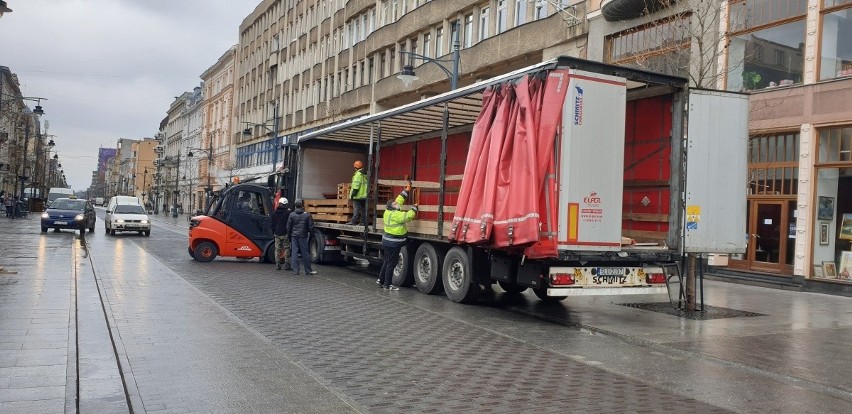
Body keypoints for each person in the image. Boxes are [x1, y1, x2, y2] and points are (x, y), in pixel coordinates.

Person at [378, 183, 418, 290]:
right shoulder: (396, 215)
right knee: (392, 263)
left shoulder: (388, 212)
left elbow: (399, 200)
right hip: (393, 243)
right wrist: (414, 208)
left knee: (387, 261)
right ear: (392, 206)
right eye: (395, 204)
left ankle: (380, 280)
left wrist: (406, 190)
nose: (397, 204)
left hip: (387, 241)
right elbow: (408, 216)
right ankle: (387, 285)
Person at [287, 199, 317, 275]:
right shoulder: (307, 214)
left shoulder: (292, 214)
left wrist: (289, 235)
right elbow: (311, 227)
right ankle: (308, 270)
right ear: (302, 205)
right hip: (303, 236)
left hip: (294, 235)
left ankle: (296, 270)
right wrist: (312, 235)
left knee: (294, 253)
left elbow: (288, 227)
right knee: (305, 253)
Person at [271, 197, 292, 271]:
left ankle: (277, 265)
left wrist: (274, 232)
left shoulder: (274, 213)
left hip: (277, 233)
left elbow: (272, 224)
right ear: (285, 204)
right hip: (285, 233)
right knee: (286, 248)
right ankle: (287, 265)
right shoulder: (288, 213)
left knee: (277, 249)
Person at [346, 160, 368, 226]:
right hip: (364, 196)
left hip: (357, 195)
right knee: (363, 209)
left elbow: (356, 186)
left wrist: (352, 195)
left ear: (355, 167)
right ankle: (363, 222)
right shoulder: (365, 174)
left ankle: (353, 221)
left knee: (356, 209)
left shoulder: (358, 175)